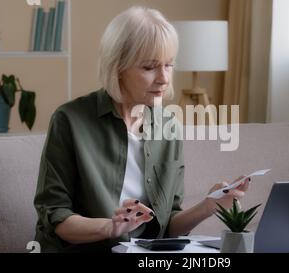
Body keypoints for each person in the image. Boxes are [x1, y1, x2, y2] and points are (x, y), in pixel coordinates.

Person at [34, 6, 250, 252]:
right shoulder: (69, 120)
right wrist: (111, 228)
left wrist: (209, 205)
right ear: (118, 68)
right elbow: (55, 215)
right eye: (149, 67)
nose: (164, 78)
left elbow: (167, 225)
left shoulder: (168, 126)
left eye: (168, 65)